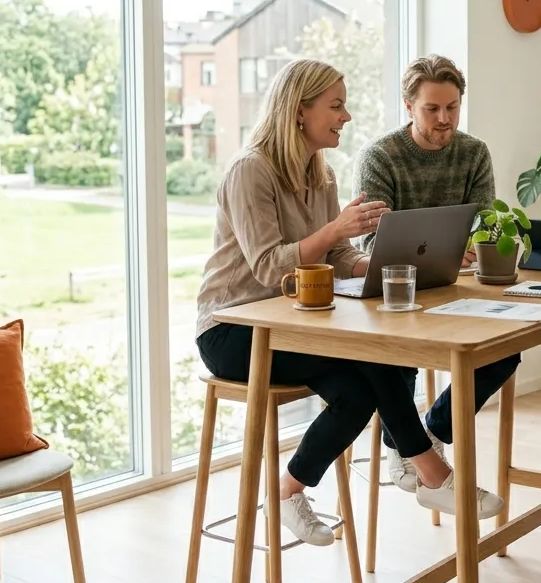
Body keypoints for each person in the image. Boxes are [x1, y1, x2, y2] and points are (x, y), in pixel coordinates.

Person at [195, 58, 504, 548]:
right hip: (233, 330)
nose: (347, 116)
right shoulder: (250, 171)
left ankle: (287, 491)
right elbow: (269, 267)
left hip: (293, 321)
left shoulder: (323, 173)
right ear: (300, 112)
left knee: (359, 392)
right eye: (336, 106)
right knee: (371, 356)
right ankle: (431, 471)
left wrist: (393, 264)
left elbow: (339, 256)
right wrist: (337, 229)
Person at [352, 55, 520, 491]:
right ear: (408, 105)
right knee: (399, 355)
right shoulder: (380, 157)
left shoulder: (473, 152)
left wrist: (471, 245)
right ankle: (407, 448)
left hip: (452, 288)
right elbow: (370, 244)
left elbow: (486, 224)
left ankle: (426, 435)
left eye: (453, 107)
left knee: (505, 349)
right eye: (433, 109)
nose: (445, 119)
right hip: (394, 294)